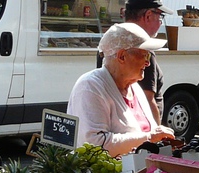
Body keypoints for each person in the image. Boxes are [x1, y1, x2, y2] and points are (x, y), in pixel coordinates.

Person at [67, 23, 175, 156]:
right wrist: (149, 137)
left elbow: (150, 131)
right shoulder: (90, 87)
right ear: (122, 56)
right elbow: (95, 145)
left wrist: (159, 135)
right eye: (144, 55)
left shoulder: (135, 88)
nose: (147, 63)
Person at [125, 0, 174, 123]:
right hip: (140, 130)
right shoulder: (143, 51)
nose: (160, 23)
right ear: (148, 16)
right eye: (160, 17)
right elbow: (147, 100)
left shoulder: (112, 43)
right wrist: (156, 135)